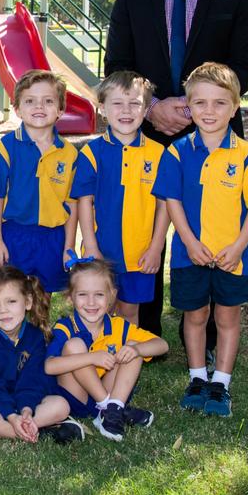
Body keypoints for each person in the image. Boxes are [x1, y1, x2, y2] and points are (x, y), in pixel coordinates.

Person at [104, 0, 248, 340]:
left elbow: (246, 66)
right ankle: (144, 330)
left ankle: (213, 334)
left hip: (214, 138)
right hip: (145, 134)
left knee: (211, 229)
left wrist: (197, 109)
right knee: (142, 230)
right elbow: (117, 65)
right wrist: (152, 107)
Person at [152, 62, 248, 418]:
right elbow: (171, 201)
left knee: (227, 318)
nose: (209, 111)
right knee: (195, 315)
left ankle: (220, 383)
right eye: (200, 103)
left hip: (232, 257)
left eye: (220, 103)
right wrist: (189, 242)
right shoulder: (176, 152)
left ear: (235, 107)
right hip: (189, 254)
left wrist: (237, 247)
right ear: (189, 107)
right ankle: (196, 377)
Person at [0, 266, 85, 445]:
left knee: (61, 405)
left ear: (27, 302)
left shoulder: (35, 337)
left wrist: (26, 410)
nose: (3, 310)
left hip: (19, 398)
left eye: (11, 301)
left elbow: (33, 380)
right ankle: (29, 432)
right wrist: (11, 415)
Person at [72, 71, 169, 323]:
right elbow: (84, 202)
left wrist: (156, 247)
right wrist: (91, 246)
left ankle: (125, 361)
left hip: (140, 253)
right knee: (97, 311)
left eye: (135, 103)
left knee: (129, 311)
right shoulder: (91, 153)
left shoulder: (159, 154)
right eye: (117, 103)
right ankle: (98, 360)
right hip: (102, 249)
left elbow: (164, 206)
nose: (126, 111)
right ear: (102, 108)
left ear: (146, 108)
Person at [44, 255, 169, 442]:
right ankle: (108, 408)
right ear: (70, 298)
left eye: (99, 294)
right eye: (83, 295)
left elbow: (162, 345)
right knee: (75, 345)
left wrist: (137, 351)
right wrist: (92, 358)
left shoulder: (118, 326)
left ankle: (114, 408)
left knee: (134, 347)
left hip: (109, 391)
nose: (91, 302)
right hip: (75, 398)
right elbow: (49, 366)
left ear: (112, 295)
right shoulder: (65, 327)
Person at [0, 70, 79, 305]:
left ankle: (38, 339)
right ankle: (7, 341)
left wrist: (68, 245)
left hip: (52, 236)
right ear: (17, 108)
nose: (39, 106)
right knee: (8, 295)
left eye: (48, 101)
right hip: (14, 234)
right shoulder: (6, 148)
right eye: (30, 101)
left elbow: (72, 202)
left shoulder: (69, 153)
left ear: (60, 110)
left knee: (42, 297)